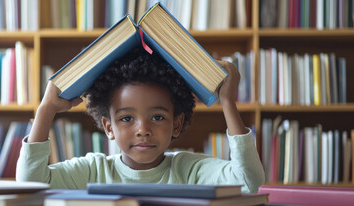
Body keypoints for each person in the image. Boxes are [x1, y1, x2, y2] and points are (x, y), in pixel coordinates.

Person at [16, 47, 265, 193]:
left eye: (157, 117)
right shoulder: (93, 171)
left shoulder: (190, 171)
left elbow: (249, 181)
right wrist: (46, 109)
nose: (143, 130)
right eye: (126, 118)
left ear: (176, 124)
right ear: (108, 127)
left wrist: (227, 102)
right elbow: (30, 185)